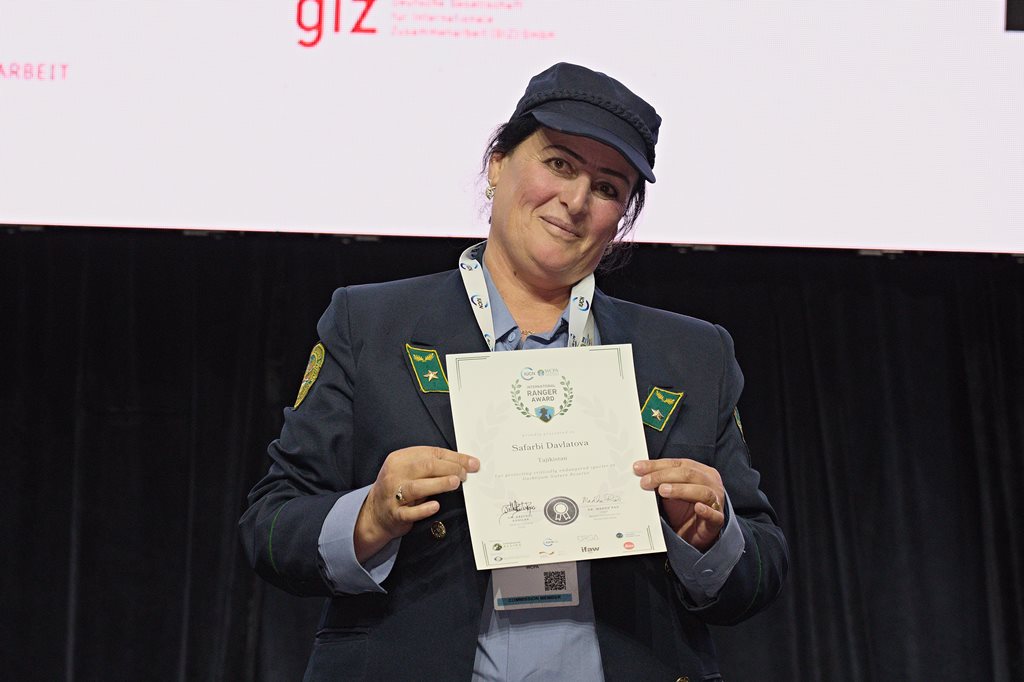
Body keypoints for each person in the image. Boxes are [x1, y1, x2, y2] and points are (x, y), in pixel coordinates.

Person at [240, 62, 788, 681]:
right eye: (559, 164)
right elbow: (270, 524)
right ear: (497, 163)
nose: (576, 201)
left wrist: (710, 535)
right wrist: (369, 519)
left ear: (622, 217)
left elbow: (762, 567)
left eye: (608, 187)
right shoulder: (370, 325)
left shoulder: (692, 354)